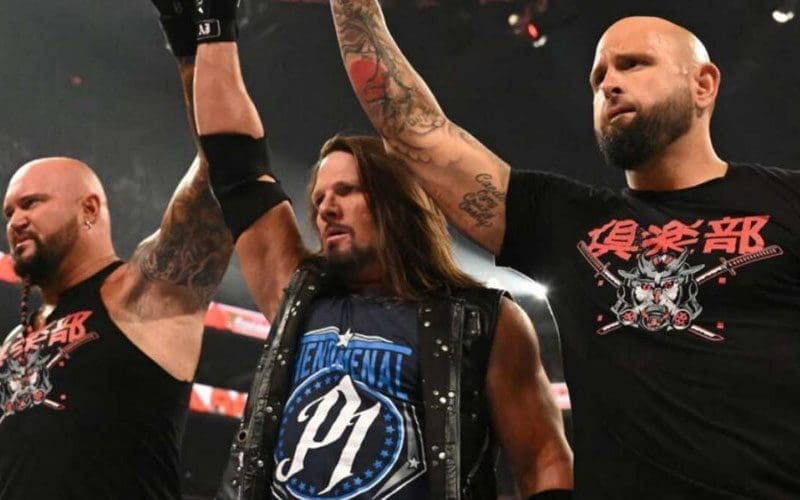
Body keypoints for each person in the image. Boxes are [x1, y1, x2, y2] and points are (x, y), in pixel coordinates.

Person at [329, 6, 800, 499]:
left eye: (633, 64)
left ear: (703, 84)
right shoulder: (568, 222)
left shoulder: (787, 202)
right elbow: (414, 131)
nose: (609, 84)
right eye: (598, 78)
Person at [196, 4, 573, 499]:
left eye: (346, 191)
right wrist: (211, 26)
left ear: (395, 203)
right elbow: (237, 169)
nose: (326, 208)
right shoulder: (301, 299)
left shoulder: (483, 321)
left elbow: (544, 458)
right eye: (318, 199)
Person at [0, 1, 251, 497]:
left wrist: (192, 43)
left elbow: (226, 169)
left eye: (31, 203)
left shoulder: (142, 293)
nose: (16, 221)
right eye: (8, 212)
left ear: (89, 210)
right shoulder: (13, 341)